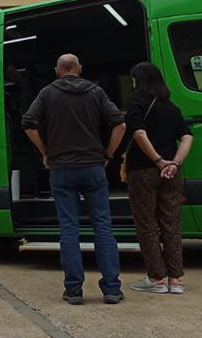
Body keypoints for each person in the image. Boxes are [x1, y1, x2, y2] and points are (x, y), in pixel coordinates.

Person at [22, 53, 127, 305]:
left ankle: (73, 290)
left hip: (61, 168)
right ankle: (111, 289)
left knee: (69, 228)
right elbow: (120, 125)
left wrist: (45, 151)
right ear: (79, 69)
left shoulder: (47, 93)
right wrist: (108, 153)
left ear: (58, 71)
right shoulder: (96, 92)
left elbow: (28, 123)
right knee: (102, 226)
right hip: (93, 166)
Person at [123, 61, 194, 295]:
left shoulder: (135, 103)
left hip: (143, 170)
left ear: (139, 80)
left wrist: (158, 160)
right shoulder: (170, 107)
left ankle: (157, 279)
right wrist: (174, 162)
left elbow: (139, 133)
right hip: (171, 174)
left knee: (147, 224)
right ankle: (175, 279)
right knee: (171, 223)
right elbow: (186, 137)